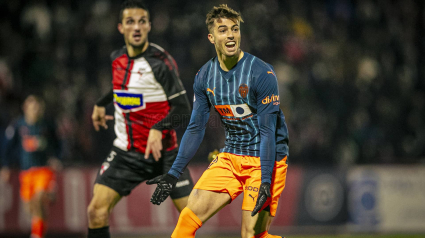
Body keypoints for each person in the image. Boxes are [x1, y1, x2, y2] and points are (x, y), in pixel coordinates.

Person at [147, 4, 289, 238]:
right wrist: (173, 174)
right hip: (231, 157)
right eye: (223, 30)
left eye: (235, 29)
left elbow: (268, 132)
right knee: (184, 225)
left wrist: (265, 180)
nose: (231, 35)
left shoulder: (261, 74)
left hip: (266, 159)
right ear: (212, 38)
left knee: (251, 235)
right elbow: (195, 128)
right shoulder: (204, 76)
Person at [86, 1, 194, 238]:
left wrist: (158, 127)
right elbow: (122, 88)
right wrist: (100, 103)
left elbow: (183, 109)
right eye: (130, 22)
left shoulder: (161, 62)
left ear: (149, 27)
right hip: (127, 154)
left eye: (141, 22)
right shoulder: (117, 59)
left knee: (191, 219)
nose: (136, 27)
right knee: (96, 211)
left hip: (166, 154)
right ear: (120, 28)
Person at [0, 95, 62, 238]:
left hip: (44, 170)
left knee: (39, 199)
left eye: (37, 107)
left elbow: (59, 143)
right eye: (32, 107)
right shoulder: (18, 125)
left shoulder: (48, 125)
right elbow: (8, 147)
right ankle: (39, 228)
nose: (35, 110)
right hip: (26, 173)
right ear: (25, 109)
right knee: (31, 208)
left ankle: (37, 235)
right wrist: (6, 165)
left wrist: (56, 158)